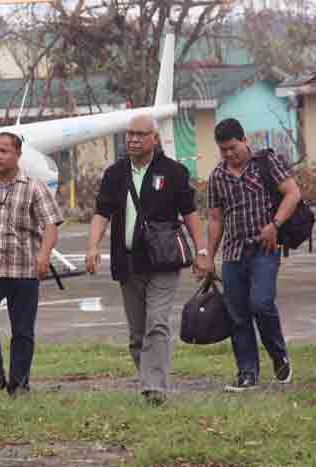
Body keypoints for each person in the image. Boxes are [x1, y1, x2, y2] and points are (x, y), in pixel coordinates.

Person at [85, 114, 208, 406]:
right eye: (129, 134)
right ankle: (149, 380)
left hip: (163, 261)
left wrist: (201, 251)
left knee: (157, 323)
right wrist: (92, 246)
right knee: (138, 333)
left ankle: (154, 389)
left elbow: (190, 213)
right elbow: (102, 213)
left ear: (155, 138)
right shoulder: (115, 174)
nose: (133, 139)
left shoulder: (174, 172)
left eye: (140, 134)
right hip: (128, 262)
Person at [205, 118, 301, 392]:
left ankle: (278, 355)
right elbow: (214, 219)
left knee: (261, 303)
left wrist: (275, 225)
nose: (228, 154)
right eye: (223, 150)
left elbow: (293, 194)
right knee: (237, 314)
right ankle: (247, 372)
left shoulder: (265, 162)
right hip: (233, 252)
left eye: (232, 148)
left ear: (244, 140)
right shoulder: (217, 177)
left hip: (264, 248)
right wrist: (209, 257)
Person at [0, 132, 63, 399]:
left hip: (25, 269)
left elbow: (51, 223)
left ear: (18, 155)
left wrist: (43, 256)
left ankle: (19, 384)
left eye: (3, 151)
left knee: (23, 330)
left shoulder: (33, 186)